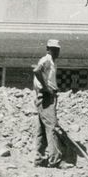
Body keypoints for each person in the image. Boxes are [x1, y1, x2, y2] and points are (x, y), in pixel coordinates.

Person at [33, 39, 62, 168]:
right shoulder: (46, 59)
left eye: (57, 49)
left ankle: (39, 159)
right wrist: (46, 88)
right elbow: (37, 70)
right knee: (52, 128)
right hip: (45, 97)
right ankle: (55, 160)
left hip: (44, 97)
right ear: (48, 49)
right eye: (53, 49)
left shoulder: (51, 61)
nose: (56, 52)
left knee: (42, 130)